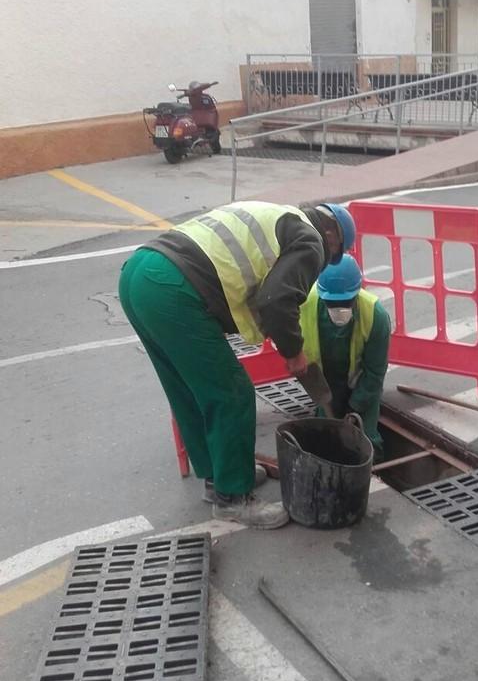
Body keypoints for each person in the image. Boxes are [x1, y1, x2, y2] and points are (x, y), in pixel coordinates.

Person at [118, 201, 356, 528]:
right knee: (232, 393)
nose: (325, 263)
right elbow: (275, 300)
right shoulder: (311, 240)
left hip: (139, 273)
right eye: (333, 255)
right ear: (331, 233)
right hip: (171, 287)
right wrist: (293, 352)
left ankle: (220, 478)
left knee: (191, 389)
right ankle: (233, 498)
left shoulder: (280, 216)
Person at [299, 255, 390, 462]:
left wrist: (355, 406)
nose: (339, 309)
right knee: (327, 437)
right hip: (325, 382)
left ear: (357, 293)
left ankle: (373, 476)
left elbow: (375, 372)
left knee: (365, 441)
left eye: (345, 302)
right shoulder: (305, 305)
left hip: (362, 382)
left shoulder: (376, 316)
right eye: (332, 303)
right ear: (322, 296)